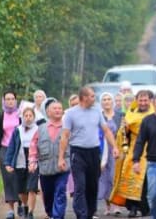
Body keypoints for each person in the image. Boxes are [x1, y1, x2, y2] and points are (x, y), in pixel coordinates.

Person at [58, 86, 119, 219]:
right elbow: (65, 136)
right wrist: (61, 158)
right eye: (92, 96)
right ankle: (82, 214)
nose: (94, 98)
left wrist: (114, 147)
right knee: (80, 185)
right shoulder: (71, 113)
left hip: (94, 152)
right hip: (78, 153)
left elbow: (106, 130)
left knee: (92, 186)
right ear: (84, 98)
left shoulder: (97, 111)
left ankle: (90, 213)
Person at [110, 90, 153, 217]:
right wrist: (124, 130)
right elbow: (123, 134)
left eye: (146, 100)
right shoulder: (130, 114)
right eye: (141, 100)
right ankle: (133, 208)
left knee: (147, 180)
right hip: (135, 148)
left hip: (152, 149)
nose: (143, 103)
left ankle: (146, 207)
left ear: (150, 100)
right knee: (131, 177)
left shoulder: (154, 113)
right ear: (137, 100)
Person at [29, 101, 70, 219]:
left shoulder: (67, 128)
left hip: (63, 167)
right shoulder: (40, 128)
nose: (58, 110)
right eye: (55, 108)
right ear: (48, 112)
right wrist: (32, 162)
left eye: (60, 108)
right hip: (45, 168)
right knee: (48, 195)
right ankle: (51, 213)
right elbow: (33, 146)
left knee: (60, 192)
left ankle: (57, 216)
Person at [4, 107, 39, 219]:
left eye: (30, 116)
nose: (28, 118)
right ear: (22, 117)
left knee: (31, 188)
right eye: (26, 116)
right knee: (21, 190)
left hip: (33, 160)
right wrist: (8, 163)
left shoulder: (38, 130)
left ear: (34, 117)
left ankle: (30, 213)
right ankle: (25, 206)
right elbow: (12, 147)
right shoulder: (17, 130)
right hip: (20, 160)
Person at [98, 92, 122, 216]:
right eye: (104, 99)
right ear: (101, 102)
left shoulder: (119, 115)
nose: (107, 101)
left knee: (115, 177)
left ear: (112, 101)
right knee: (105, 178)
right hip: (103, 151)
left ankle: (117, 205)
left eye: (108, 99)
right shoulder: (99, 116)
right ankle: (108, 205)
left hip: (116, 150)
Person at [0, 90, 22, 219]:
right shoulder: (0, 116)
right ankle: (10, 210)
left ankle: (22, 203)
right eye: (7, 99)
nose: (10, 101)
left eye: (12, 98)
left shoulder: (21, 115)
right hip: (4, 149)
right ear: (3, 100)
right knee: (8, 178)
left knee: (19, 177)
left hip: (19, 150)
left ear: (15, 100)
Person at [66, 94, 79, 198]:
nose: (75, 107)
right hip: (70, 147)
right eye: (73, 105)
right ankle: (73, 190)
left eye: (77, 104)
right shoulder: (66, 116)